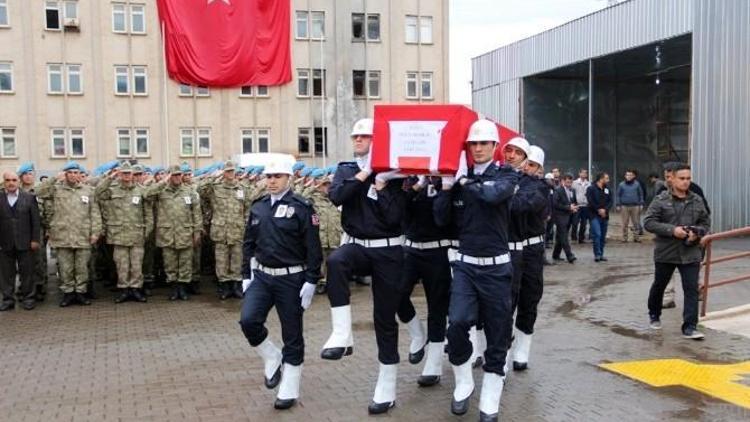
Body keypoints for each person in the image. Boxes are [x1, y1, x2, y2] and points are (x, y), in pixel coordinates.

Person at [434, 119, 520, 421]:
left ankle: (491, 396)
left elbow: (493, 195)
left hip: (497, 269)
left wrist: (464, 182)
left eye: (484, 143)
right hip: (466, 266)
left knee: (498, 333)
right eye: (474, 143)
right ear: (467, 148)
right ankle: (463, 381)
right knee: (456, 323)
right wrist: (446, 187)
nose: (479, 148)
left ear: (495, 147)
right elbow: (441, 219)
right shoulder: (459, 177)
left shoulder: (506, 174)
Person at [322, 117, 409, 414]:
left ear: (378, 140)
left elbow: (395, 218)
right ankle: (342, 334)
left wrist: (382, 184)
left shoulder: (395, 174)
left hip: (388, 251)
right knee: (335, 261)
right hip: (357, 246)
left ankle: (387, 384)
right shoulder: (347, 169)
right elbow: (336, 196)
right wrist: (365, 174)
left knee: (384, 319)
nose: (358, 141)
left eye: (364, 137)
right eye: (355, 136)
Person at [239, 155, 322, 410]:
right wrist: (246, 274)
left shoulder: (302, 207)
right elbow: (249, 244)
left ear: (289, 178)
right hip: (263, 277)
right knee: (248, 320)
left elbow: (313, 248)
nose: (272, 181)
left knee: (292, 334)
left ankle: (290, 386)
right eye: (269, 177)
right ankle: (271, 355)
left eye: (277, 177)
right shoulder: (258, 206)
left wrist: (311, 280)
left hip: (292, 279)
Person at [396, 174, 455, 386]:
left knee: (437, 308)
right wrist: (418, 185)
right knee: (397, 295)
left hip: (438, 251)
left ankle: (434, 364)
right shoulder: (412, 180)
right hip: (411, 249)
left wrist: (442, 187)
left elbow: (442, 217)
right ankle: (418, 334)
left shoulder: (448, 182)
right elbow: (400, 211)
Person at [644, 164, 710, 340]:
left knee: (691, 290)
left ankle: (690, 326)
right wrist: (672, 230)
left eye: (688, 178)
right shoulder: (661, 200)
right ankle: (654, 314)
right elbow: (649, 222)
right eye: (682, 178)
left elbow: (706, 222)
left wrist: (697, 233)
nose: (686, 182)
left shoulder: (697, 200)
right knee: (660, 285)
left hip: (690, 252)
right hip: (666, 252)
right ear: (671, 178)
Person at [36, 161, 103, 307]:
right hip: (62, 235)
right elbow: (38, 191)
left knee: (81, 267)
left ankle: (80, 292)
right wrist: (54, 178)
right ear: (65, 174)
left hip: (83, 235)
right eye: (70, 172)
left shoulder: (88, 191)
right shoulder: (56, 190)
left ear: (80, 174)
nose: (73, 175)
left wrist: (95, 232)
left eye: (76, 172)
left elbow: (95, 213)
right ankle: (68, 293)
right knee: (65, 268)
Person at [508, 145, 550, 373]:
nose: (527, 168)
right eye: (526, 163)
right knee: (507, 300)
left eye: (532, 165)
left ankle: (522, 348)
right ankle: (501, 347)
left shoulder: (541, 187)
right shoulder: (510, 179)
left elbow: (525, 205)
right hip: (511, 249)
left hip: (532, 250)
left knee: (530, 297)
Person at [95, 163, 152, 303]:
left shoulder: (141, 190)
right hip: (119, 234)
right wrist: (110, 177)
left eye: (129, 173)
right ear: (119, 174)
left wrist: (147, 231)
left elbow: (148, 213)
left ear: (133, 174)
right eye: (124, 173)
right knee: (122, 265)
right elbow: (97, 192)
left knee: (136, 264)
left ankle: (136, 289)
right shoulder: (112, 190)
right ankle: (123, 290)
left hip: (136, 234)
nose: (127, 175)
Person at [144, 165, 202, 301]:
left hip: (185, 232)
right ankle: (174, 288)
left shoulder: (189, 191)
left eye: (179, 175)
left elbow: (197, 213)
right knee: (170, 263)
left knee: (185, 262)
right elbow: (146, 194)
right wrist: (163, 181)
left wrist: (197, 231)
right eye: (174, 175)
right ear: (169, 176)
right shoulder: (161, 191)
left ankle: (182, 288)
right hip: (167, 233)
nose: (177, 177)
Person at [199, 161, 252, 300]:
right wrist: (214, 177)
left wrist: (246, 224)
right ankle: (224, 286)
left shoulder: (242, 188)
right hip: (221, 230)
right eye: (227, 171)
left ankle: (236, 286)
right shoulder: (215, 188)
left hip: (237, 229)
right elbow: (200, 189)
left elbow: (247, 208)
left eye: (232, 171)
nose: (230, 173)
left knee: (237, 259)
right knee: (221, 260)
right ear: (223, 172)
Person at [0, 171, 41, 311]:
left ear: (18, 181)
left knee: (27, 272)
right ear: (4, 182)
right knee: (6, 274)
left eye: (13, 180)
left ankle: (28, 298)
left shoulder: (29, 198)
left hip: (26, 242)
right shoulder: (0, 198)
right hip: (4, 243)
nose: (11, 183)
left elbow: (36, 221)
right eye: (7, 180)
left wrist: (35, 239)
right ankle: (7, 300)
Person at [586, 172, 612, 262]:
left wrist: (605, 210)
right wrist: (599, 210)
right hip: (594, 215)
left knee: (603, 236)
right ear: (601, 179)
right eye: (607, 178)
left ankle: (601, 254)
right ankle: (597, 254)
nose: (608, 180)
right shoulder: (591, 188)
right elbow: (590, 201)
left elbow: (610, 201)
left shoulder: (607, 189)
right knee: (597, 234)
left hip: (605, 215)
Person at [551, 174, 578, 263]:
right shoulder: (558, 191)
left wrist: (574, 208)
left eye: (571, 182)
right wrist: (568, 207)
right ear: (562, 181)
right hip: (560, 216)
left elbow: (573, 202)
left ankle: (555, 254)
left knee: (560, 237)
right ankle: (569, 255)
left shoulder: (573, 190)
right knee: (563, 236)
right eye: (567, 182)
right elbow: (555, 204)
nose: (569, 184)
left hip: (569, 216)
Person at [616, 169, 644, 242]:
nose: (629, 176)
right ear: (625, 176)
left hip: (635, 206)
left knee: (636, 223)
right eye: (627, 175)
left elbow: (641, 194)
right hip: (624, 206)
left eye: (630, 175)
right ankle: (624, 238)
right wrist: (618, 205)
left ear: (633, 176)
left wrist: (641, 204)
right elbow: (618, 195)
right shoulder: (621, 185)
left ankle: (636, 238)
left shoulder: (637, 184)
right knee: (625, 223)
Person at [571, 168, 591, 243]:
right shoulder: (574, 183)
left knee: (584, 223)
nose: (584, 174)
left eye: (585, 173)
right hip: (577, 205)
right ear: (579, 174)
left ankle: (581, 238)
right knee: (575, 222)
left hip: (585, 206)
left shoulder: (588, 184)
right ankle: (574, 238)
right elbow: (571, 193)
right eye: (582, 173)